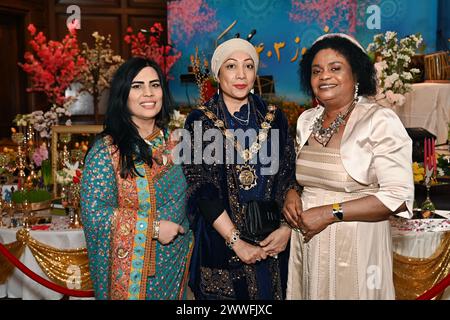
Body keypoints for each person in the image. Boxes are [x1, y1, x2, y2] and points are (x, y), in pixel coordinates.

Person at [284, 33, 414, 300]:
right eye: (316, 70)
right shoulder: (306, 120)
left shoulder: (379, 120)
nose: (324, 76)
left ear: (356, 75)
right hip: (308, 241)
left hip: (357, 243)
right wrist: (291, 192)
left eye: (335, 68)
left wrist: (329, 213)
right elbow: (303, 177)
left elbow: (398, 197)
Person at [183, 38, 301, 300]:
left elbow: (288, 177)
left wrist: (285, 229)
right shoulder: (200, 120)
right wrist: (237, 242)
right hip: (221, 245)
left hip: (272, 245)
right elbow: (200, 186)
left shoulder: (273, 117)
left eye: (248, 66)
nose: (241, 74)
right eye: (231, 66)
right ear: (218, 74)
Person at [80, 57, 193, 300]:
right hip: (132, 279)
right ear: (123, 95)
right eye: (137, 86)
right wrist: (151, 228)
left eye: (155, 84)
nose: (148, 93)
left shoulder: (177, 142)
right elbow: (94, 215)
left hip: (176, 266)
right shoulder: (107, 152)